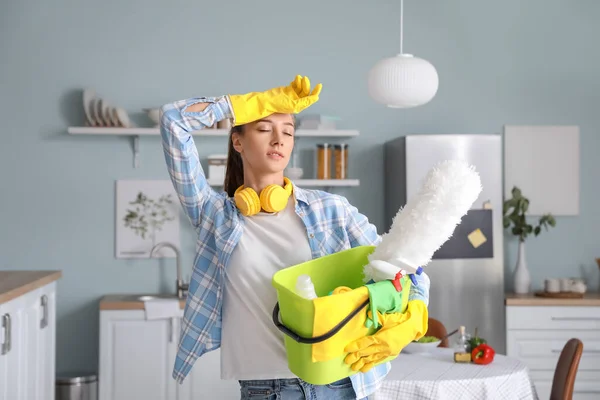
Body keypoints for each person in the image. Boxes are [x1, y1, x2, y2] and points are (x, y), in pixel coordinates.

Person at [159, 75, 430, 400]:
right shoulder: (214, 216)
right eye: (263, 128)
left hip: (341, 384)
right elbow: (173, 121)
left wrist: (414, 315)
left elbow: (403, 266)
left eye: (287, 132)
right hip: (265, 390)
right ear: (238, 141)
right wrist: (246, 105)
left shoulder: (331, 210)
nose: (279, 140)